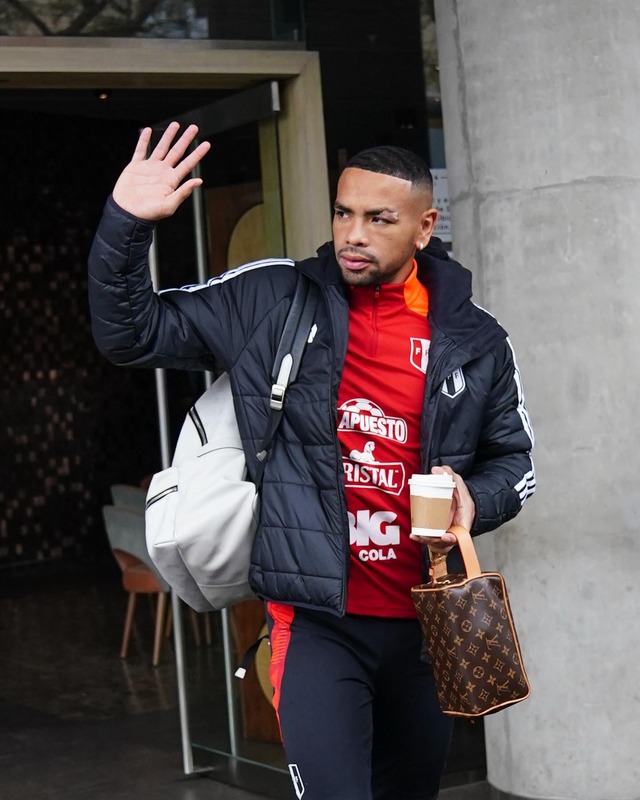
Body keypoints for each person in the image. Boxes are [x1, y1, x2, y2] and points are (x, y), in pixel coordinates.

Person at [88, 122, 535, 800]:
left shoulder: (474, 338)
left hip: (424, 628)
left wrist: (477, 498)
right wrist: (126, 225)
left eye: (379, 219)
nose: (353, 233)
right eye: (343, 212)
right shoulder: (275, 299)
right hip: (317, 625)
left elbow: (515, 461)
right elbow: (133, 334)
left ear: (424, 225)